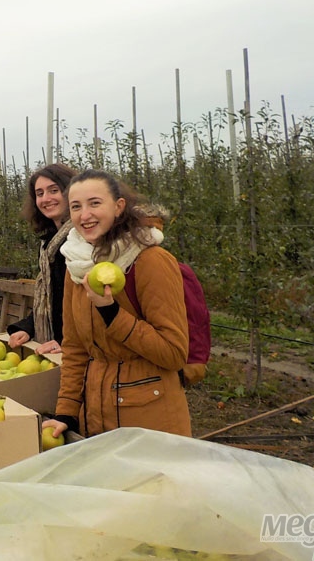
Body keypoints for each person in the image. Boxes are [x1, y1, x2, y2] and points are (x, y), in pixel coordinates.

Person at [42, 169, 191, 438]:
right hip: (97, 415)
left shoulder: (151, 261)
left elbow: (173, 352)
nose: (84, 215)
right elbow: (74, 348)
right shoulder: (76, 264)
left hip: (150, 421)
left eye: (95, 203)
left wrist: (110, 312)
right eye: (76, 207)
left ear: (118, 207)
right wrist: (66, 412)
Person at [6, 163, 76, 355]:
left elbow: (86, 305)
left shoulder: (81, 241)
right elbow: (51, 298)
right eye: (39, 193)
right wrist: (28, 328)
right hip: (58, 346)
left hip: (78, 348)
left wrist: (66, 341)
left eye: (54, 190)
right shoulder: (48, 244)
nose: (46, 198)